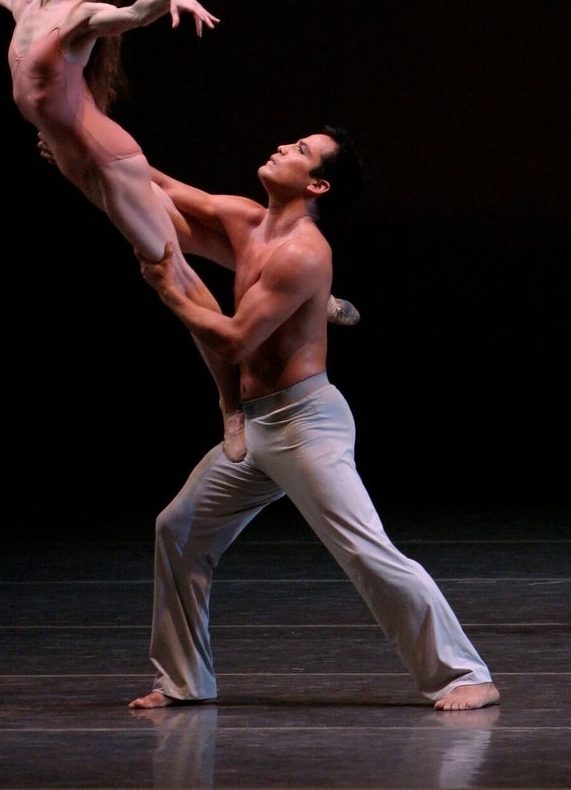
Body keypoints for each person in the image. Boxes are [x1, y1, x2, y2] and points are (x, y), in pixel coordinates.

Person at [0, 0, 359, 462]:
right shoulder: (26, 6)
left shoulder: (80, 15)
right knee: (202, 227)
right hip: (81, 166)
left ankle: (230, 404)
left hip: (108, 162)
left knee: (172, 267)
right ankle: (319, 298)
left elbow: (130, 14)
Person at [129, 126, 501, 712]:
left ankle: (465, 673)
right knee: (177, 529)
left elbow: (231, 341)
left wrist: (170, 291)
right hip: (256, 430)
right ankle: (184, 680)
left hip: (306, 425)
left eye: (300, 151)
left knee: (364, 550)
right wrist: (79, 146)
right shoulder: (245, 218)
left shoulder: (304, 251)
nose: (282, 147)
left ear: (316, 184)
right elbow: (155, 180)